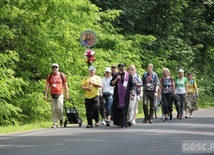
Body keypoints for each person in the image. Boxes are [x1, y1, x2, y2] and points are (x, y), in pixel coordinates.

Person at [44, 63, 69, 128]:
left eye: (56, 67)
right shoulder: (50, 76)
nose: (54, 69)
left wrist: (67, 94)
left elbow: (66, 85)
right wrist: (45, 95)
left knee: (59, 107)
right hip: (52, 94)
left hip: (60, 93)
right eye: (53, 67)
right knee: (53, 109)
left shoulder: (61, 75)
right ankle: (55, 123)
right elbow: (47, 86)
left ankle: (61, 118)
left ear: (58, 68)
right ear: (52, 69)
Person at [110, 63, 135, 128]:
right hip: (117, 95)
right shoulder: (116, 75)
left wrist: (132, 94)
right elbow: (111, 84)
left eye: (123, 68)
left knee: (124, 109)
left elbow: (132, 86)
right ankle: (119, 122)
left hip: (125, 95)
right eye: (120, 68)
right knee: (117, 108)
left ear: (125, 68)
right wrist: (116, 79)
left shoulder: (129, 76)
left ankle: (123, 123)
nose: (122, 69)